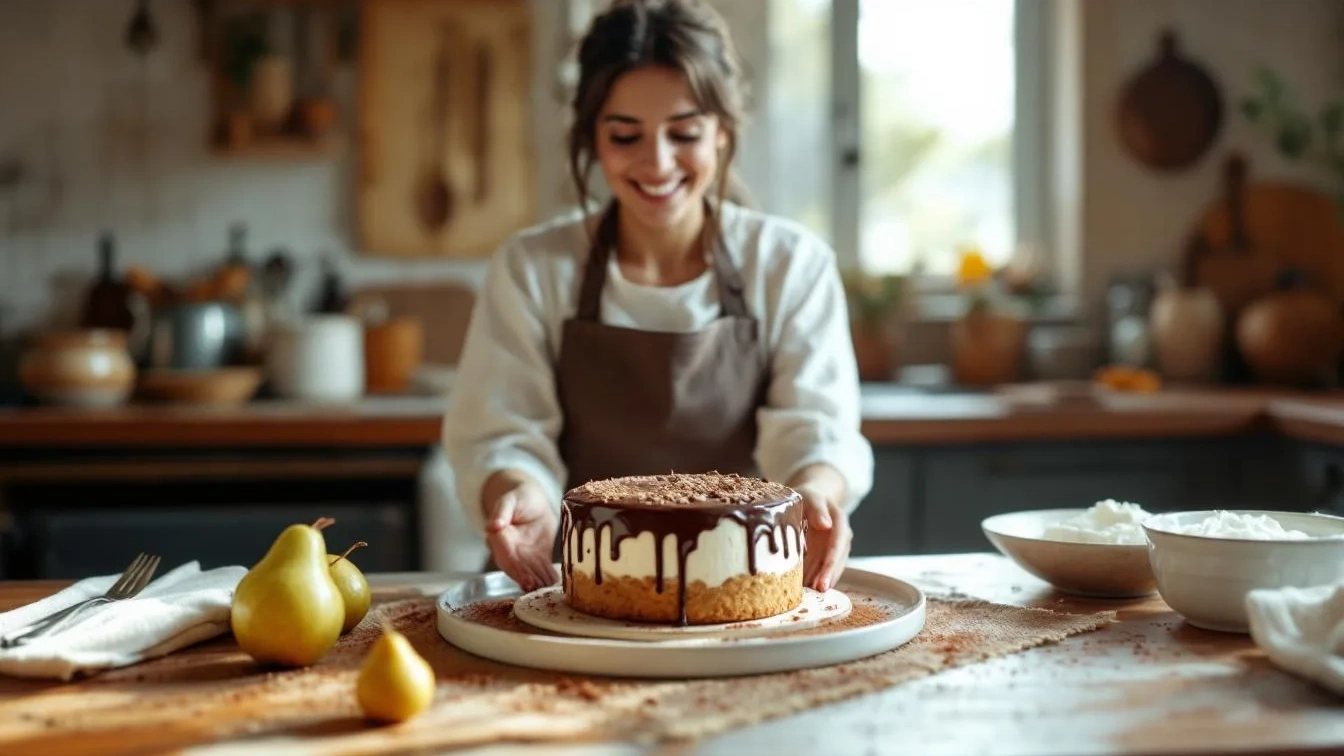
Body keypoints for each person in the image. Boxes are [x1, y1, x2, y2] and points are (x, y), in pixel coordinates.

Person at [442, 0, 874, 594]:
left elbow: (815, 430)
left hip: (738, 583)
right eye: (626, 135)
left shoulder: (789, 265)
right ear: (592, 137)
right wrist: (518, 492)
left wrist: (818, 497)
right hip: (569, 585)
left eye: (685, 133)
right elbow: (502, 432)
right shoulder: (532, 269)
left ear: (723, 132)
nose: (657, 162)